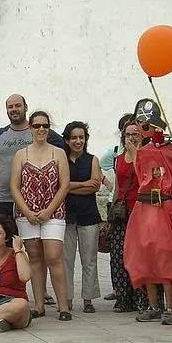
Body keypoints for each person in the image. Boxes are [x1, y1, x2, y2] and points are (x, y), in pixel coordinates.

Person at [124, 100, 172, 325]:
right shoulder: (143, 151)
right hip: (144, 209)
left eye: (144, 125)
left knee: (165, 256)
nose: (141, 130)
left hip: (164, 208)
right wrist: (136, 155)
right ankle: (153, 305)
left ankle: (169, 306)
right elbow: (142, 178)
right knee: (145, 256)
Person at [10, 111, 71, 320]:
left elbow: (64, 185)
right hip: (27, 214)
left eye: (45, 125)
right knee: (35, 257)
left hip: (53, 212)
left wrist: (48, 210)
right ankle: (38, 305)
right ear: (30, 128)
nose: (41, 129)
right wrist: (27, 212)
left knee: (54, 257)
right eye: (37, 126)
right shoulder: (21, 154)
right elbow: (14, 186)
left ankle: (63, 306)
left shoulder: (58, 153)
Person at [0, 94, 64, 218]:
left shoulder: (40, 131)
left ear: (26, 107)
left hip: (33, 200)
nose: (14, 109)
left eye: (18, 105)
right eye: (10, 107)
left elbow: (64, 148)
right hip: (4, 199)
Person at [61, 121, 102, 313]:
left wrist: (69, 186)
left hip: (89, 214)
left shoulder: (92, 160)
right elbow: (59, 186)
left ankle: (88, 299)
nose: (78, 141)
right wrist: (82, 184)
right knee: (66, 260)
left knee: (89, 259)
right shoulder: (61, 159)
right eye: (74, 138)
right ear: (67, 140)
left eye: (81, 137)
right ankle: (67, 298)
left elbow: (95, 186)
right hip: (66, 215)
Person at [109, 121, 149, 313]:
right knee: (119, 255)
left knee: (139, 256)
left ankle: (141, 298)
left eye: (135, 134)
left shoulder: (147, 155)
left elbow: (145, 179)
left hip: (140, 210)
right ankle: (123, 297)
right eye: (128, 135)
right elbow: (118, 185)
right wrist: (112, 209)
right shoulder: (118, 158)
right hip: (122, 211)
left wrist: (135, 154)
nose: (131, 138)